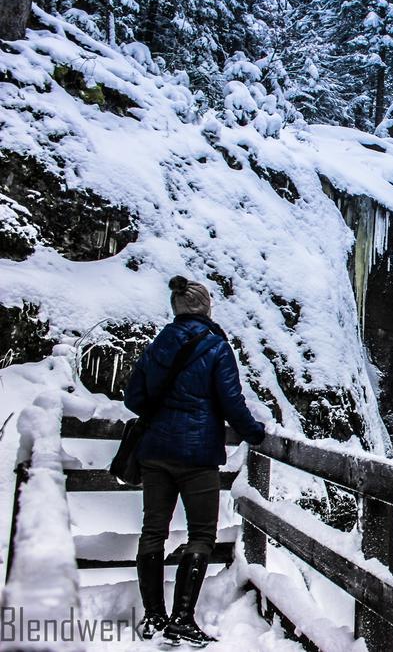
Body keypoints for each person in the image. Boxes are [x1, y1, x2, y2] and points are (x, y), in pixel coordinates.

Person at [124, 275, 266, 646]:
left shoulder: (158, 346)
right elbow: (232, 402)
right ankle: (182, 618)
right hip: (197, 455)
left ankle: (154, 616)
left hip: (155, 452)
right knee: (201, 533)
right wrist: (254, 433)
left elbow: (134, 398)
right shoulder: (215, 347)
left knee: (153, 529)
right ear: (205, 307)